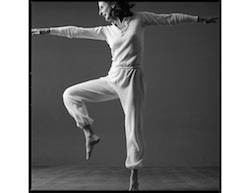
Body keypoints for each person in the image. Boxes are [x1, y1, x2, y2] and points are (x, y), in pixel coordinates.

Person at [32, 1, 218, 191]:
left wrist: (200, 19)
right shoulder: (106, 31)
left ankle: (134, 176)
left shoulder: (140, 19)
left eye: (101, 7)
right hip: (113, 78)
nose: (99, 11)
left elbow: (169, 18)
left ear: (113, 4)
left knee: (132, 127)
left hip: (133, 79)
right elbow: (75, 31)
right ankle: (90, 134)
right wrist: (47, 30)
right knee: (70, 95)